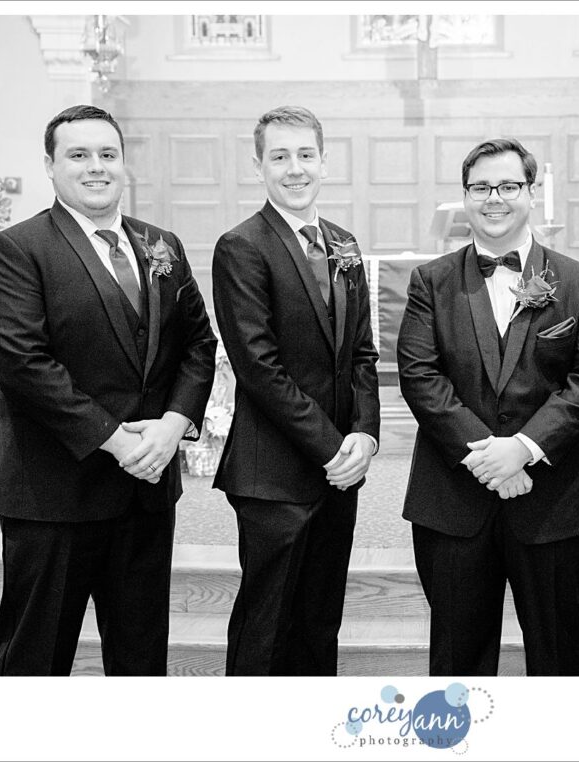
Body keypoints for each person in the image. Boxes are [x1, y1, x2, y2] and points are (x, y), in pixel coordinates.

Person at [0, 104, 217, 676]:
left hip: (148, 489)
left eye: (107, 155)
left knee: (139, 658)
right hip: (54, 491)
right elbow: (23, 364)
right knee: (37, 658)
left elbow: (199, 345)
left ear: (123, 163)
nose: (96, 167)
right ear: (50, 165)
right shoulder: (17, 248)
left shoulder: (163, 245)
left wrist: (172, 425)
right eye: (78, 155)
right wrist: (117, 441)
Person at [397, 138, 579, 675]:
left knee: (559, 654)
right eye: (480, 188)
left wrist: (523, 448)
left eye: (508, 186)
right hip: (452, 500)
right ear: (465, 196)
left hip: (555, 499)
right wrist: (485, 456)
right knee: (457, 656)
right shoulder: (432, 281)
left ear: (532, 192)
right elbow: (419, 375)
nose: (494, 199)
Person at [211, 106, 380, 676]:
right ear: (258, 165)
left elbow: (362, 352)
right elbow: (258, 367)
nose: (295, 168)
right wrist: (332, 447)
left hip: (339, 474)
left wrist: (365, 437)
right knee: (267, 622)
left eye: (306, 154)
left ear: (325, 162)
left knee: (319, 618)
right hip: (274, 471)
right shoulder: (242, 247)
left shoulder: (344, 244)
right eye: (279, 156)